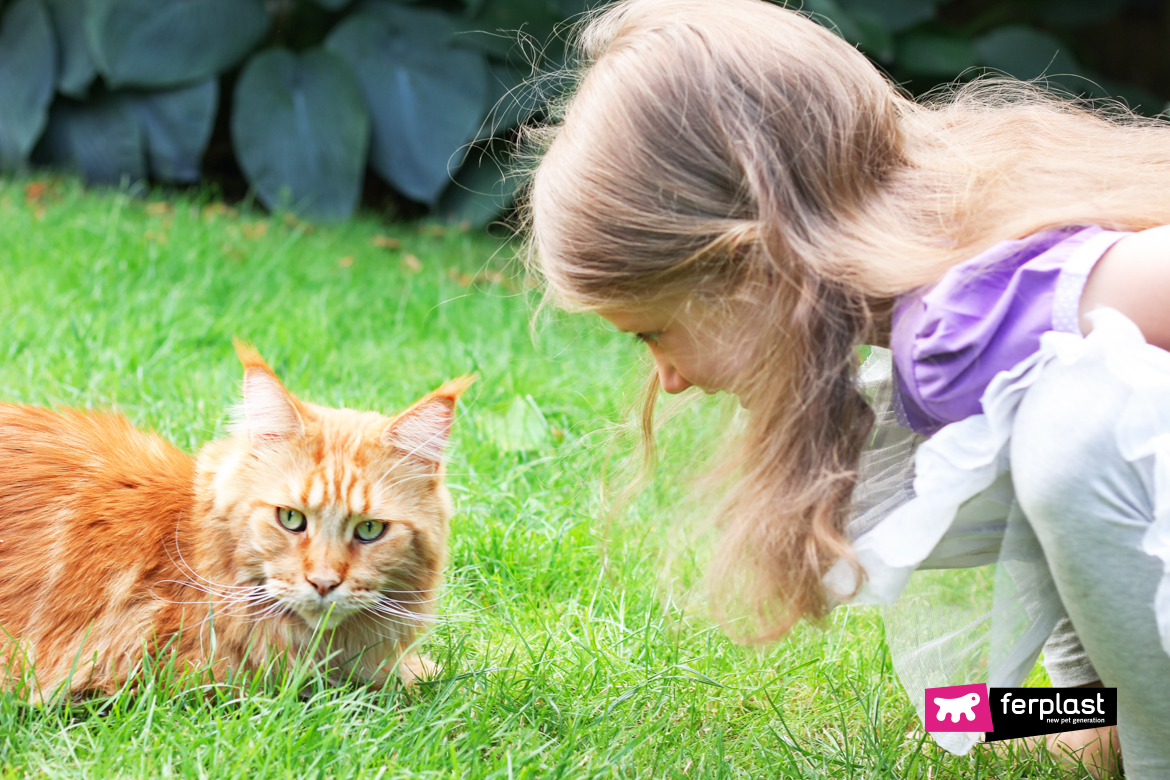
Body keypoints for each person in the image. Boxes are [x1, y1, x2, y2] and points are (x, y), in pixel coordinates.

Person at [521, 0, 1170, 777]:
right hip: (1124, 676)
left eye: (654, 333)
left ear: (750, 267)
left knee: (1071, 431)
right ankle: (1106, 724)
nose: (671, 380)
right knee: (957, 699)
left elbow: (1093, 445)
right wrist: (1045, 714)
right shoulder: (956, 296)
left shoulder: (962, 322)